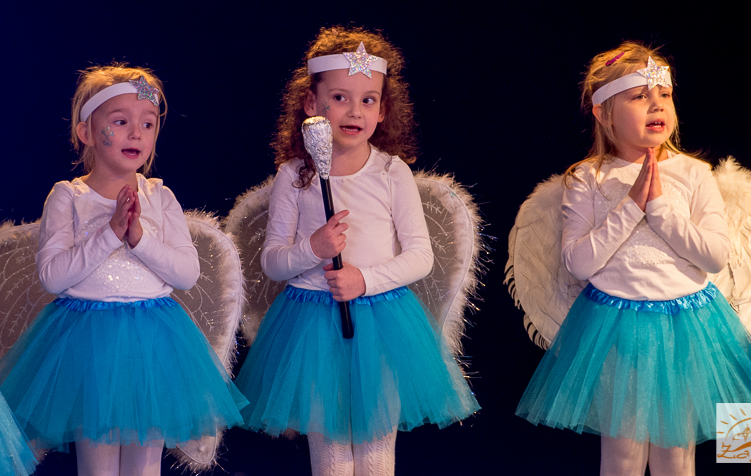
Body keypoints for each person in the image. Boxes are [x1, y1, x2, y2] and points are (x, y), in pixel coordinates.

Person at [515, 42, 751, 475]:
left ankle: (749, 450)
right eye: (639, 96)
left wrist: (660, 208)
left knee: (677, 456)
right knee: (623, 455)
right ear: (604, 113)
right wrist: (630, 206)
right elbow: (578, 263)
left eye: (664, 94)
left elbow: (715, 257)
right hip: (616, 328)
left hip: (689, 326)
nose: (656, 104)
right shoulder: (587, 178)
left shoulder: (694, 173)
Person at [235, 27, 479, 476]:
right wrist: (314, 248)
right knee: (330, 454)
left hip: (381, 321)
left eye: (368, 100)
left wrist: (363, 280)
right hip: (311, 321)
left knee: (374, 452)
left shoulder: (391, 172)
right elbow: (272, 262)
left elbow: (420, 256)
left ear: (383, 110)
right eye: (340, 98)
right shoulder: (295, 175)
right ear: (311, 104)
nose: (355, 111)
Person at [0, 64, 247, 476]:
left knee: (144, 465)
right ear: (86, 132)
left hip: (153, 341)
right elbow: (53, 277)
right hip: (88, 342)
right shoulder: (69, 196)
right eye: (120, 122)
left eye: (147, 124)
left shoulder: (159, 196)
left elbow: (186, 274)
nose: (136, 133)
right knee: (97, 464)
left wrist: (138, 238)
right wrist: (110, 233)